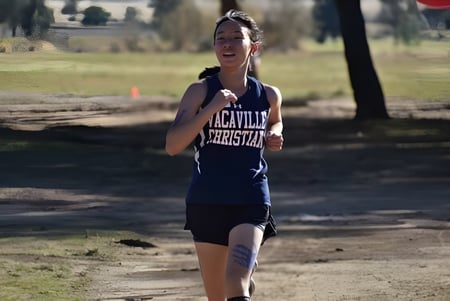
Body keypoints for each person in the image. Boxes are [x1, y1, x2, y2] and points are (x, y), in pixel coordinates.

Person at [165, 9, 283, 301]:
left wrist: (276, 132)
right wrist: (210, 109)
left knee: (235, 281)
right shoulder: (200, 92)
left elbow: (275, 119)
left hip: (251, 198)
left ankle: (242, 282)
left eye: (236, 38)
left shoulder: (268, 94)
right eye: (221, 39)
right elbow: (172, 145)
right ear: (215, 46)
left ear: (252, 47)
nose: (227, 44)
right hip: (207, 201)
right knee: (218, 295)